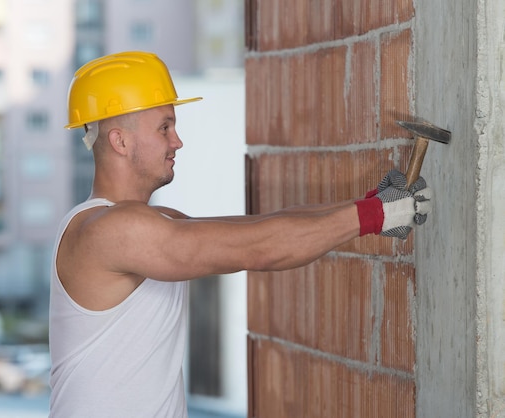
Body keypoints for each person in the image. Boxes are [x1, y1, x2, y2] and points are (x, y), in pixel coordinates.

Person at [48, 51, 432, 418]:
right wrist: (374, 215)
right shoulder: (111, 231)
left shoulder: (143, 222)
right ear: (120, 141)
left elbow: (257, 227)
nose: (177, 141)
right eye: (164, 127)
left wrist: (371, 204)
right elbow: (260, 249)